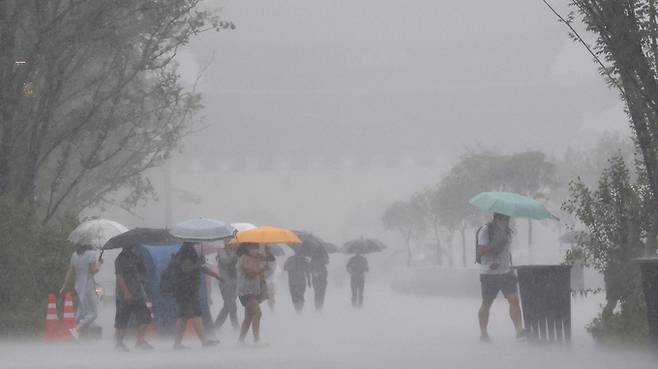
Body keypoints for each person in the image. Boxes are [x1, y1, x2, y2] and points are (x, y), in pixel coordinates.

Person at [476, 212, 525, 342]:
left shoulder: (508, 231)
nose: (506, 220)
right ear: (497, 218)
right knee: (487, 303)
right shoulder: (486, 230)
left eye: (508, 218)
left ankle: (519, 331)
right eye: (504, 218)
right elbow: (481, 251)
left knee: (514, 300)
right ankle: (483, 333)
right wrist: (496, 243)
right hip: (489, 274)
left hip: (506, 272)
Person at [173, 242, 222, 349]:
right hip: (186, 289)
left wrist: (216, 275)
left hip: (186, 289)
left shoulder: (188, 249)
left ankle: (177, 344)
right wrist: (199, 263)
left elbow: (199, 268)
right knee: (196, 313)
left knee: (183, 316)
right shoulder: (186, 250)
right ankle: (204, 341)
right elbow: (186, 268)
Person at [114, 246, 154, 351]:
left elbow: (142, 272)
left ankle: (140, 341)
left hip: (137, 293)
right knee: (122, 320)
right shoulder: (120, 259)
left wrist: (140, 263)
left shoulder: (136, 256)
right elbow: (119, 276)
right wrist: (126, 292)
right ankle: (119, 344)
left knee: (146, 317)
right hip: (124, 295)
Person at [60, 244, 101, 339]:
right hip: (88, 285)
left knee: (82, 312)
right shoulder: (91, 254)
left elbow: (70, 271)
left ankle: (81, 336)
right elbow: (93, 270)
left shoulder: (74, 255)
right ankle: (75, 330)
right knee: (93, 313)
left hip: (78, 286)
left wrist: (64, 285)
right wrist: (99, 264)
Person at [236, 243, 269, 344]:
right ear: (247, 249)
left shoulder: (256, 258)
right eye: (253, 248)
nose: (256, 250)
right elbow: (250, 274)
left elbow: (262, 274)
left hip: (254, 291)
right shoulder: (244, 258)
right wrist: (262, 268)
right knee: (258, 313)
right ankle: (256, 339)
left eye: (257, 248)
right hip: (246, 291)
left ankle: (241, 340)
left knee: (249, 317)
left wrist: (264, 263)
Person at [215, 241, 240, 330]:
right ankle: (236, 327)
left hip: (235, 281)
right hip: (225, 281)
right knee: (231, 304)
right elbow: (226, 262)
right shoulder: (222, 251)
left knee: (228, 305)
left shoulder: (239, 252)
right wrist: (233, 255)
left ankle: (216, 326)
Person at [283, 249, 311, 313]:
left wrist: (291, 267)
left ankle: (297, 311)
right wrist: (309, 281)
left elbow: (285, 268)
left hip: (292, 282)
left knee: (294, 296)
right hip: (302, 282)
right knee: (301, 296)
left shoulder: (290, 259)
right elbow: (308, 271)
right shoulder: (304, 260)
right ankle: (300, 310)